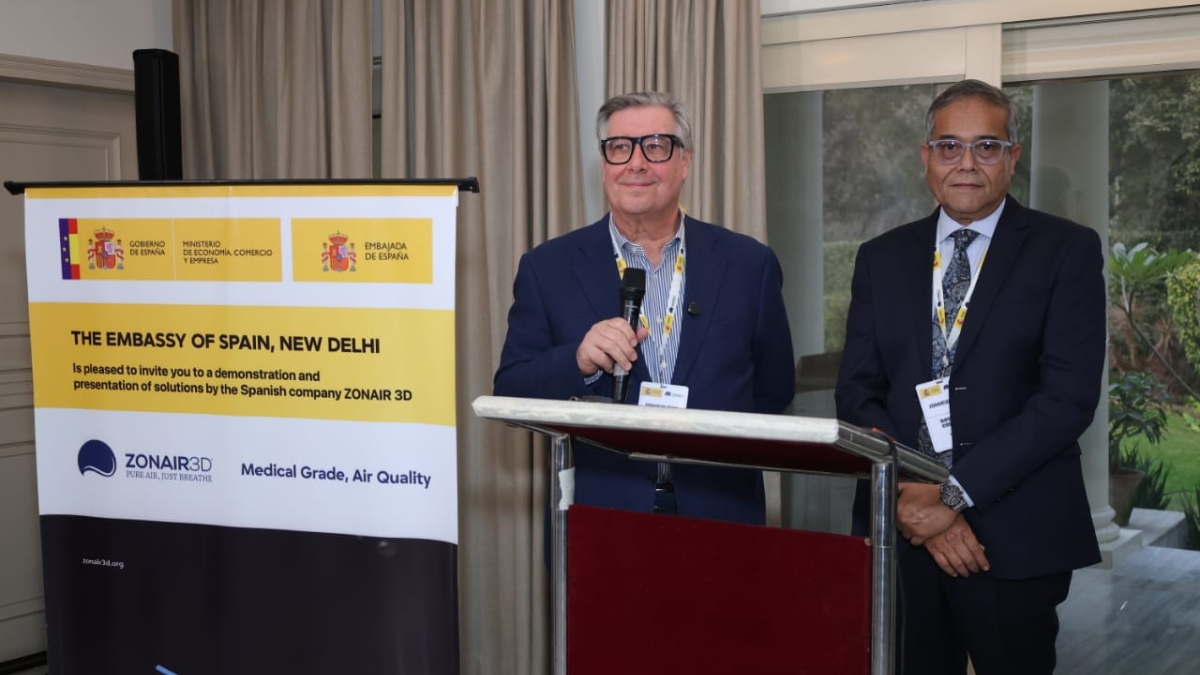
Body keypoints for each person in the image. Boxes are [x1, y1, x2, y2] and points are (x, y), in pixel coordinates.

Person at [835, 79, 1105, 675]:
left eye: (986, 146)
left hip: (1014, 534)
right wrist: (914, 497)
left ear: (1012, 156)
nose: (966, 163)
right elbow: (857, 391)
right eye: (949, 146)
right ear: (926, 156)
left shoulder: (1066, 251)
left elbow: (1066, 400)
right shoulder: (880, 257)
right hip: (902, 531)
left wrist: (953, 496)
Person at [493, 91, 794, 525]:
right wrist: (578, 361)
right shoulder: (549, 267)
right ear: (604, 165)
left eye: (655, 146)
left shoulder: (748, 264)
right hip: (602, 515)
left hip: (721, 512)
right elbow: (511, 391)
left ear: (684, 161)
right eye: (620, 148)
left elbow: (773, 389)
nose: (636, 163)